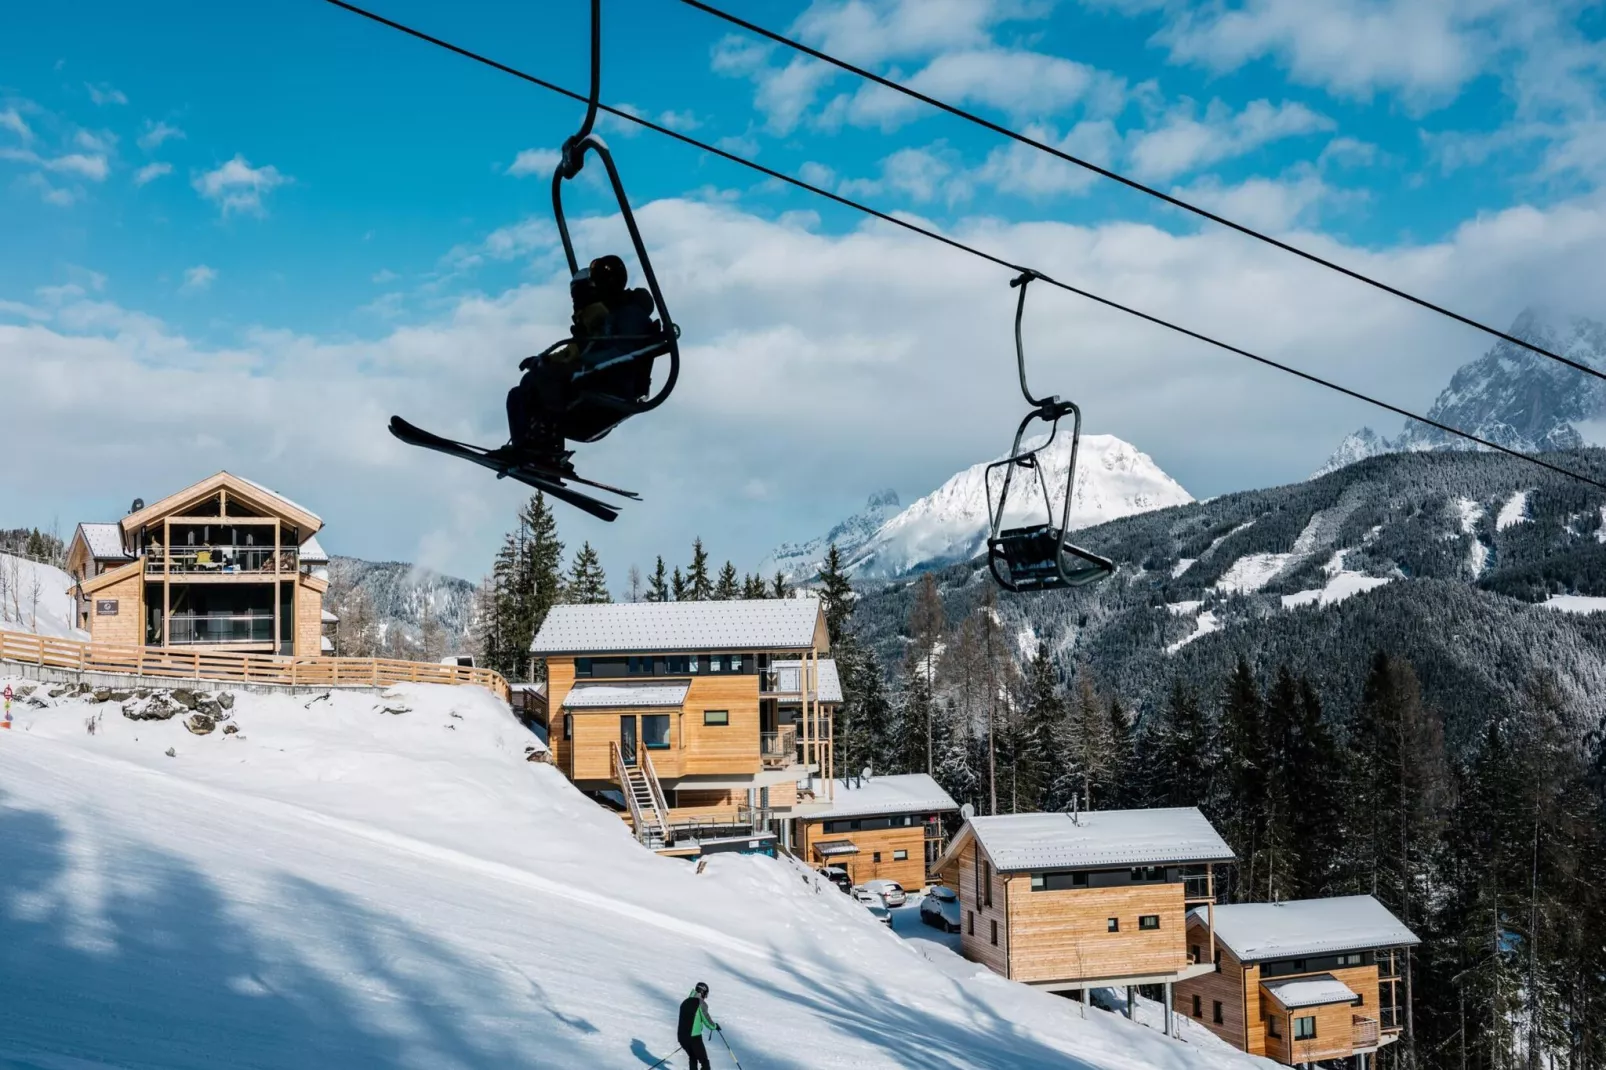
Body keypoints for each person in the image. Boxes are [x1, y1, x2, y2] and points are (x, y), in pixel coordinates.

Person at [676, 981, 718, 1070]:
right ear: (702, 992)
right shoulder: (700, 1003)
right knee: (705, 1063)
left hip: (682, 1038)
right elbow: (707, 1021)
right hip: (694, 1038)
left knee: (693, 1059)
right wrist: (715, 1026)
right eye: (706, 994)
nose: (705, 997)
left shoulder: (684, 1002)